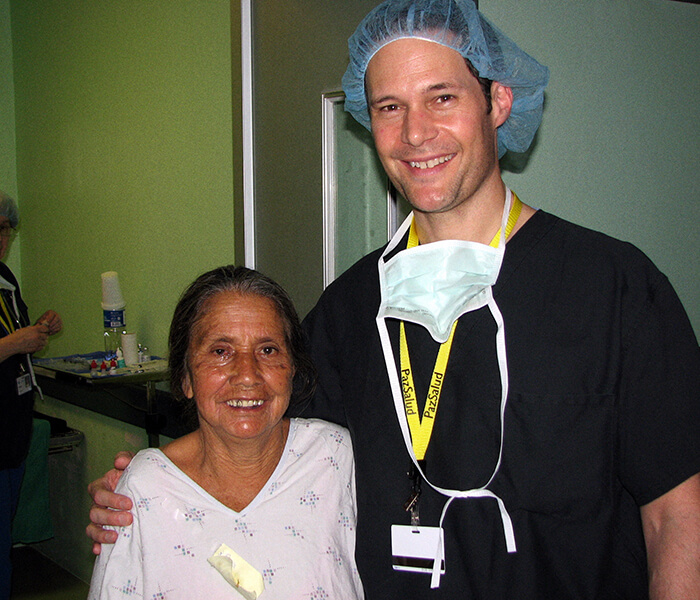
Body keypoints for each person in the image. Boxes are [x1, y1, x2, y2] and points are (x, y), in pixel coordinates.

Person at [86, 1, 700, 598]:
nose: (414, 133)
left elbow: (678, 517)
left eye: (443, 97)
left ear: (498, 102)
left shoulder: (613, 288)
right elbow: (255, 427)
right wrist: (146, 483)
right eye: (389, 107)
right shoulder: (347, 312)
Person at [87, 265, 364, 599]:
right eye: (220, 351)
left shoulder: (334, 460)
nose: (247, 374)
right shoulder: (146, 490)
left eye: (268, 350)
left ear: (293, 369)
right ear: (186, 378)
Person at [0, 191, 62, 599]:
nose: (1, 238)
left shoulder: (6, 280)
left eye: (5, 229)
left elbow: (15, 338)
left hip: (13, 431)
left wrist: (38, 329)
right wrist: (14, 342)